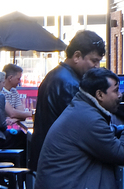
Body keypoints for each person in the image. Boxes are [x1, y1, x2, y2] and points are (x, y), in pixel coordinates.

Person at [29, 30, 105, 169]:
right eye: (94, 60)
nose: (96, 66)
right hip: (60, 163)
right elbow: (81, 126)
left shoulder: (55, 75)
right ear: (77, 56)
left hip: (48, 159)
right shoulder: (70, 84)